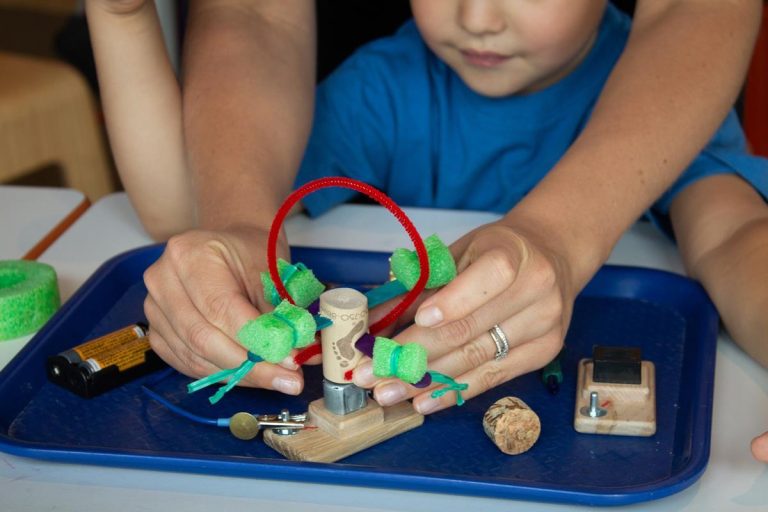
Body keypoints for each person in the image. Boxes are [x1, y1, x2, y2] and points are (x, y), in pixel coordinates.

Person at [85, 0, 768, 462]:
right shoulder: (385, 87)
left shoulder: (666, 108)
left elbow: (738, 238)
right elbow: (190, 208)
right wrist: (121, 17)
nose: (476, 18)